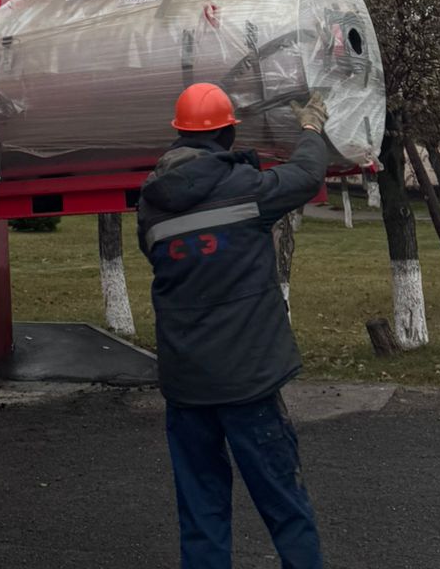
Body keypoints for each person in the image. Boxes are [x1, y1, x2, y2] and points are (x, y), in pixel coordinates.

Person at [137, 80, 330, 569]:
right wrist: (310, 127)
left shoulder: (151, 201)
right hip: (249, 385)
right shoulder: (246, 189)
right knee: (285, 507)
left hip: (187, 387)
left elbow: (156, 254)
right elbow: (307, 175)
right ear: (228, 134)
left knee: (202, 513)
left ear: (178, 135)